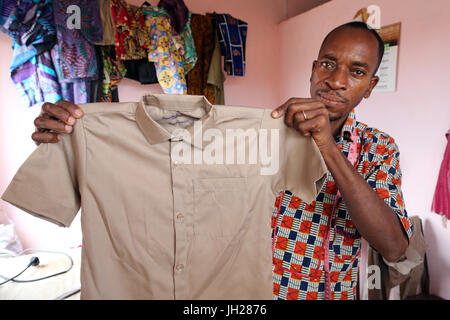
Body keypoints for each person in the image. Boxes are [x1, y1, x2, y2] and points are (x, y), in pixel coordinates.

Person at [31, 21, 412, 300]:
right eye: (328, 64)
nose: (337, 80)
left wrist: (327, 146)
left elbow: (394, 247)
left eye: (357, 71)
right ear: (313, 68)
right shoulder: (261, 133)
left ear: (370, 86)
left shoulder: (379, 148)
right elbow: (171, 154)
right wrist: (78, 129)